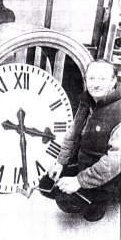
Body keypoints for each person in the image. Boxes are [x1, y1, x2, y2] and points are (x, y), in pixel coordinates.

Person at [39, 59, 121, 222]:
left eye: (102, 79)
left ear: (113, 81)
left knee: (66, 201)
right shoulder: (87, 101)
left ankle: (102, 200)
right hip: (87, 162)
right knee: (46, 185)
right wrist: (61, 163)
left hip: (112, 174)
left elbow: (114, 162)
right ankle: (89, 194)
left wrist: (79, 181)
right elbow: (73, 134)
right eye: (91, 78)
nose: (96, 84)